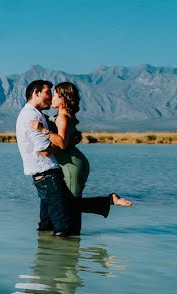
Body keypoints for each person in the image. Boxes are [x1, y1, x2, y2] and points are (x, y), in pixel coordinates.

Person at [15, 80, 131, 236]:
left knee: (68, 207)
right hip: (63, 164)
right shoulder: (39, 115)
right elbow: (62, 143)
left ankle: (74, 243)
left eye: (53, 94)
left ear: (63, 99)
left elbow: (54, 147)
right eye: (49, 93)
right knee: (65, 206)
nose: (51, 98)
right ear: (36, 93)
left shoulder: (55, 117)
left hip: (70, 164)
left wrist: (46, 131)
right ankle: (105, 204)